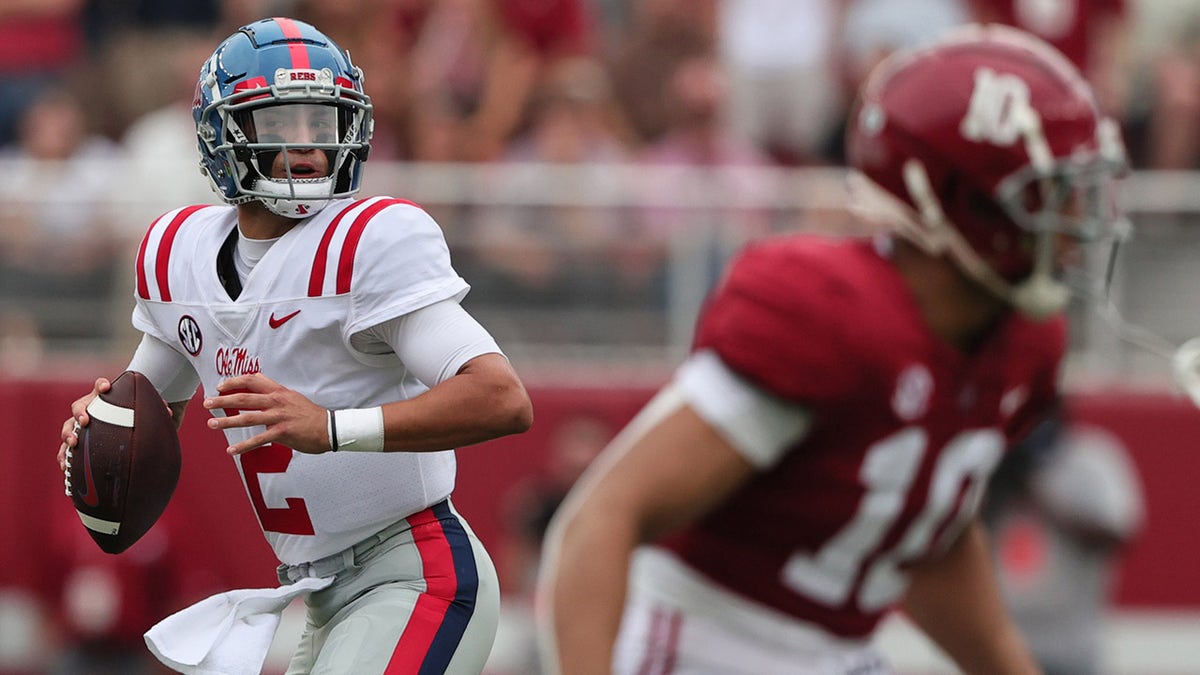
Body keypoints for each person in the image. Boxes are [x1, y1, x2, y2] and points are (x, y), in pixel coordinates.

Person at [538, 23, 1129, 675]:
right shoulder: (829, 314)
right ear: (961, 200)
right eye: (1049, 194)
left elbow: (925, 531)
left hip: (842, 653)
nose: (1076, 223)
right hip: (705, 641)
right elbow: (604, 516)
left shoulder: (1023, 339)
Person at [56, 17, 532, 675]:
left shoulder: (369, 242)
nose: (307, 145)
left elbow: (502, 395)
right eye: (280, 124)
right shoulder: (178, 257)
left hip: (418, 575)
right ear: (225, 133)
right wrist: (102, 427)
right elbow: (149, 414)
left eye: (321, 123)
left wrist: (330, 427)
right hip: (321, 596)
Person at [984, 409, 1145, 675]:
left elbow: (1120, 533)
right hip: (998, 642)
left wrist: (1041, 495)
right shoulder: (990, 465)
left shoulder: (1090, 459)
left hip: (1069, 646)